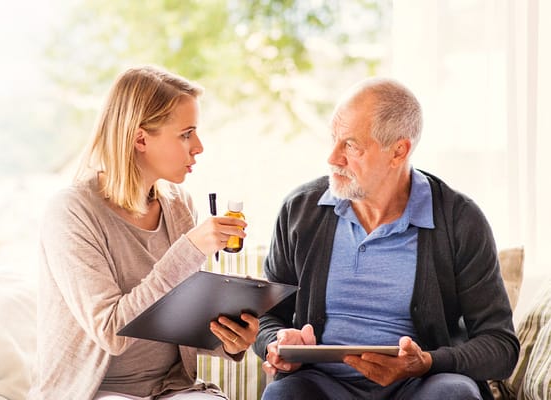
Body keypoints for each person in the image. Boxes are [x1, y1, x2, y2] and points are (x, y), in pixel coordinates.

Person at [254, 77, 519, 400]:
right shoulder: (301, 210)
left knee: (455, 395)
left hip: (421, 386)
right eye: (334, 140)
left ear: (398, 151)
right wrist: (276, 342)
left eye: (351, 145)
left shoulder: (460, 219)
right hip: (321, 384)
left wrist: (426, 362)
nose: (333, 157)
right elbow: (267, 315)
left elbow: (500, 346)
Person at [28, 65, 256, 400]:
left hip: (171, 387)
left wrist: (227, 340)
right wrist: (188, 249)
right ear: (140, 139)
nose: (199, 147)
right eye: (186, 134)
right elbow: (111, 332)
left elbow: (175, 317)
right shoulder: (72, 212)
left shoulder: (179, 204)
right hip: (94, 391)